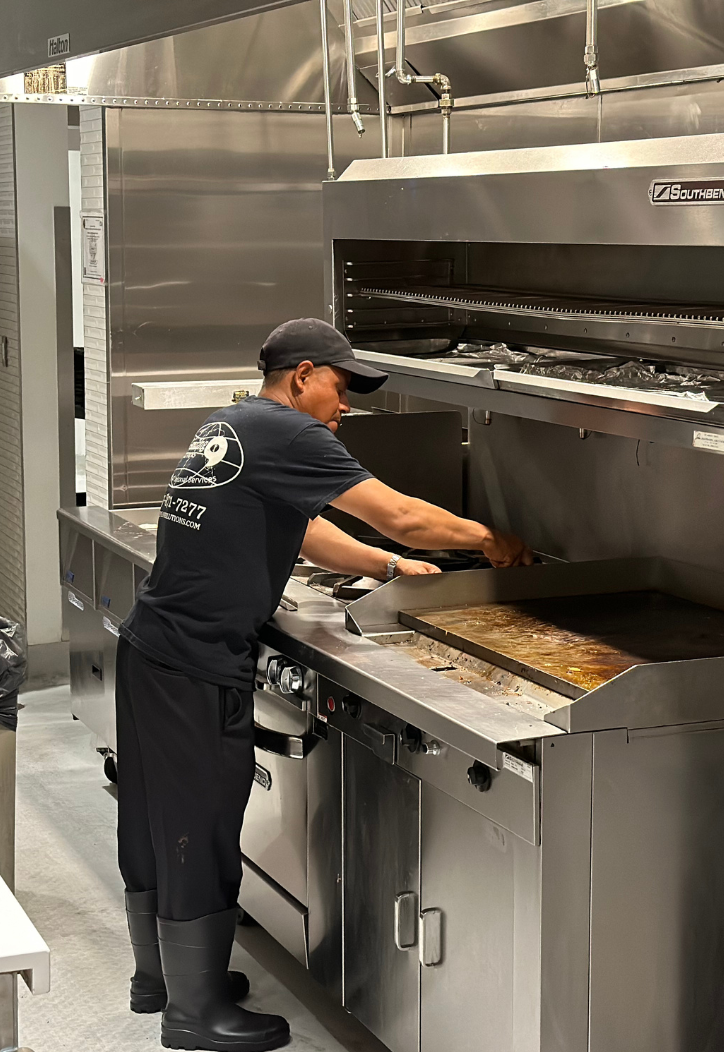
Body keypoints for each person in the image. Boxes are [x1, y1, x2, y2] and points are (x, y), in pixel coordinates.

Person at [116, 318, 532, 1052]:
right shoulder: (293, 434)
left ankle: (166, 983)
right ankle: (196, 1014)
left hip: (151, 649)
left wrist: (387, 569)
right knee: (201, 827)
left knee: (154, 819)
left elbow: (302, 530)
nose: (346, 408)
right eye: (341, 389)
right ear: (303, 375)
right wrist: (486, 539)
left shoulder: (234, 423)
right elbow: (401, 516)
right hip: (197, 664)